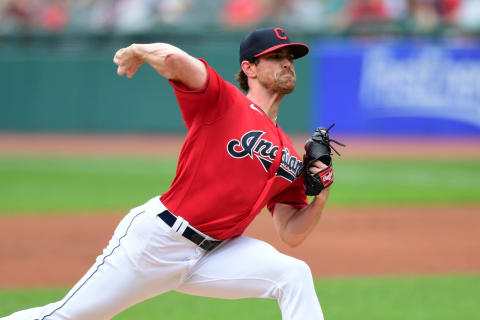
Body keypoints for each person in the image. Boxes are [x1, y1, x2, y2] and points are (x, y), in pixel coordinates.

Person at [2, 26, 331, 320]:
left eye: (290, 56)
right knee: (68, 316)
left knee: (293, 275)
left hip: (215, 254)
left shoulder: (289, 152)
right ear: (249, 68)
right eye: (275, 57)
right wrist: (140, 51)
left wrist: (322, 196)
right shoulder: (223, 101)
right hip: (157, 242)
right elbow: (176, 60)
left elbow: (291, 232)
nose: (287, 62)